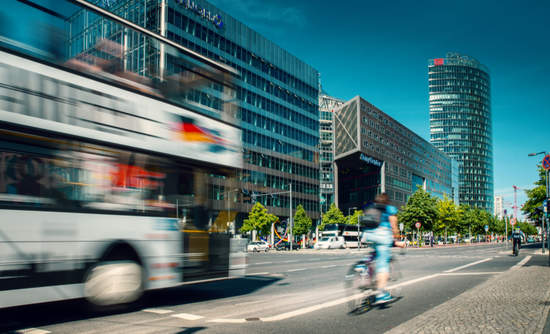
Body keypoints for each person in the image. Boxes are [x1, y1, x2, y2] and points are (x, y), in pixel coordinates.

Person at [361, 193, 404, 304]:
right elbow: (394, 226)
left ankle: (364, 266)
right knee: (383, 265)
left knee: (375, 252)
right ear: (387, 201)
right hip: (382, 235)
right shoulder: (390, 209)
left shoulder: (370, 206)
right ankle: (381, 294)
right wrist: (397, 238)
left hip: (367, 234)